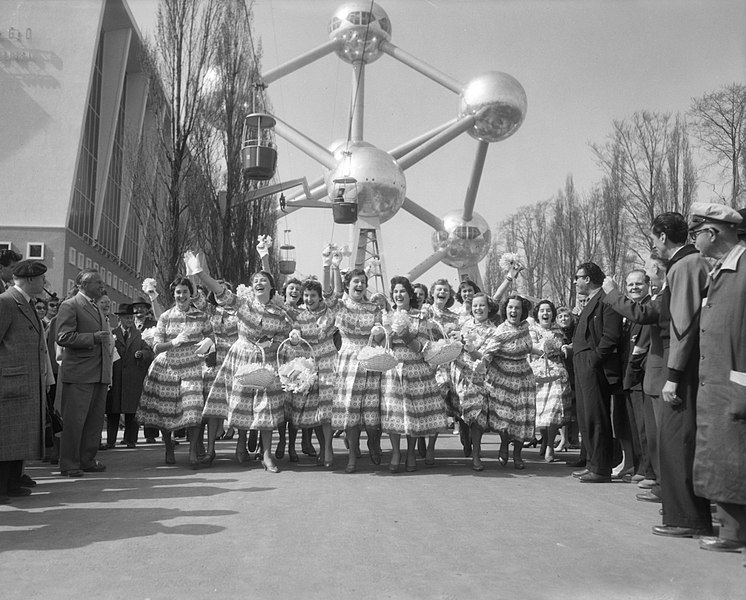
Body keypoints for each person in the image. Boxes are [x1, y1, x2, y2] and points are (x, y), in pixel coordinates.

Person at [603, 212, 713, 539]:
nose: (653, 245)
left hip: (679, 366)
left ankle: (686, 519)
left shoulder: (686, 266)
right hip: (678, 364)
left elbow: (682, 327)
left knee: (677, 442)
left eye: (653, 239)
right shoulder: (684, 265)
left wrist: (674, 374)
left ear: (663, 236)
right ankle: (681, 514)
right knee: (672, 442)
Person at [190, 255, 292, 473]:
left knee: (267, 409)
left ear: (272, 287)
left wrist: (272, 344)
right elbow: (220, 292)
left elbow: (285, 340)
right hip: (242, 358)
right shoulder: (243, 305)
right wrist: (200, 273)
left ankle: (266, 455)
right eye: (256, 280)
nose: (259, 282)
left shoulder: (280, 314)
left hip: (267, 362)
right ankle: (241, 446)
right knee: (243, 406)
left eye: (264, 280)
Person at [687, 203, 746, 552]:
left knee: (733, 452)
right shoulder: (723, 270)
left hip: (735, 380)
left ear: (714, 233)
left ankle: (734, 532)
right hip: (722, 380)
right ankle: (730, 529)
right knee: (724, 452)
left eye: (697, 233)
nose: (695, 239)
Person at [136, 276, 213, 468]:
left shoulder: (201, 316)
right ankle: (169, 447)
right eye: (178, 292)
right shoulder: (166, 317)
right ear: (174, 294)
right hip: (168, 367)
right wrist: (174, 342)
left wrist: (208, 342)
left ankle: (193, 453)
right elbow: (156, 347)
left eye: (185, 292)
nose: (181, 295)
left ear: (190, 294)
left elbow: (211, 336)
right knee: (167, 411)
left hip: (192, 367)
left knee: (194, 409)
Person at [0, 260, 53, 502]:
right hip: (10, 381)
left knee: (17, 436)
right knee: (6, 437)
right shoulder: (7, 302)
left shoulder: (25, 303)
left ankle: (11, 483)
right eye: (42, 279)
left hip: (25, 382)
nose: (44, 283)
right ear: (30, 279)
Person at [381, 276, 446, 472]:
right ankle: (395, 452)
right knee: (394, 413)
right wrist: (386, 333)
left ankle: (410, 452)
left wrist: (406, 335)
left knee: (413, 415)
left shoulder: (421, 317)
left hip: (416, 368)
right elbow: (383, 346)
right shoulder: (388, 316)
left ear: (410, 294)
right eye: (395, 292)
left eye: (402, 291)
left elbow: (423, 348)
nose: (399, 295)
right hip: (394, 368)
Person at [56, 268, 113, 477]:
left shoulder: (95, 306)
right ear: (83, 285)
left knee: (94, 420)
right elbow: (63, 337)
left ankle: (87, 459)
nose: (101, 285)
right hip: (80, 374)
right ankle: (69, 463)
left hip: (98, 374)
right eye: (97, 282)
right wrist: (92, 338)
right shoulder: (70, 305)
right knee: (75, 421)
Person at [569, 262, 623, 483]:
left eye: (578, 277)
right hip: (582, 362)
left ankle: (601, 468)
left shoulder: (606, 300)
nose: (576, 282)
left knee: (596, 416)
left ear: (588, 279)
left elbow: (611, 335)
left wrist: (594, 360)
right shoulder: (591, 301)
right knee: (585, 416)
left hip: (594, 364)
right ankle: (591, 461)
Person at [328, 264, 384, 474]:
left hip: (370, 358)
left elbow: (380, 335)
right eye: (355, 282)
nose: (359, 285)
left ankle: (373, 443)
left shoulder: (373, 308)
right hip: (348, 359)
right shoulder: (339, 305)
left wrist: (378, 332)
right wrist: (334, 266)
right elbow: (330, 294)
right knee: (351, 408)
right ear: (347, 285)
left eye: (363, 282)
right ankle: (352, 454)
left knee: (372, 407)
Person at [290, 278, 339, 467]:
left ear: (320, 297)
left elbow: (334, 298)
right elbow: (295, 336)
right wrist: (294, 337)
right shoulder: (300, 317)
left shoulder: (330, 311)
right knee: (317, 411)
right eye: (306, 295)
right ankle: (323, 447)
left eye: (313, 296)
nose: (309, 299)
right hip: (310, 365)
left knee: (327, 409)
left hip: (329, 363)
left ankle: (328, 449)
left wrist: (329, 268)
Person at [528, 300, 572, 463]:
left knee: (554, 409)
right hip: (538, 371)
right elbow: (532, 347)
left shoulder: (558, 330)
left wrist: (562, 349)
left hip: (556, 372)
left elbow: (562, 346)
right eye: (542, 311)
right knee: (541, 411)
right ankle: (545, 439)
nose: (545, 314)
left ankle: (550, 446)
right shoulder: (532, 329)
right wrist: (545, 346)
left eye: (548, 311)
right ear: (537, 314)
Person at [106, 304, 154, 448]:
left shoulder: (139, 335)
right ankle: (110, 440)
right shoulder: (112, 333)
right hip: (116, 377)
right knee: (113, 411)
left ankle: (130, 439)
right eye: (126, 318)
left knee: (131, 411)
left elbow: (149, 352)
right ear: (119, 318)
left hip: (133, 378)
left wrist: (142, 354)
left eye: (131, 318)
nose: (129, 320)